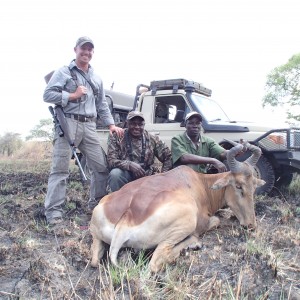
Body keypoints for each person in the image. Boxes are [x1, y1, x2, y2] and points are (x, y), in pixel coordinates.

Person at [43, 36, 123, 225]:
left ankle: (96, 205)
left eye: (90, 50)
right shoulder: (64, 71)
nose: (86, 53)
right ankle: (53, 213)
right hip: (69, 122)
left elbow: (101, 103)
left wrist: (111, 124)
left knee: (101, 167)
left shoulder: (96, 77)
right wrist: (72, 95)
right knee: (60, 169)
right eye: (83, 49)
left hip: (90, 125)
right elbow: (47, 94)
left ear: (92, 52)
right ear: (75, 50)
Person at [107, 111, 172, 192]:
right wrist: (129, 165)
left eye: (140, 124)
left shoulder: (152, 138)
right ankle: (118, 202)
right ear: (127, 123)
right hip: (126, 174)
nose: (137, 127)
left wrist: (163, 175)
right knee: (115, 174)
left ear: (144, 125)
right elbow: (111, 161)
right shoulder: (117, 136)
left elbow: (168, 157)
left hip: (146, 175)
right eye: (133, 123)